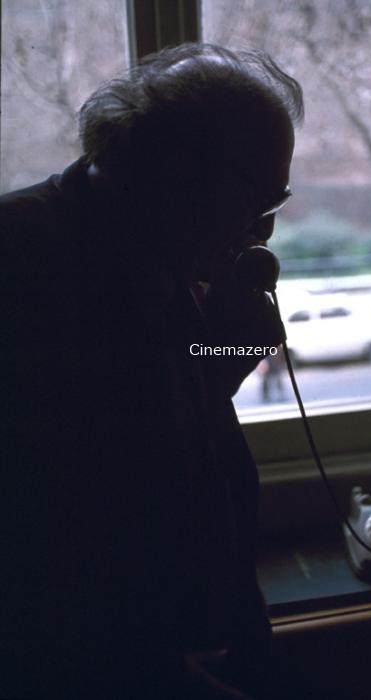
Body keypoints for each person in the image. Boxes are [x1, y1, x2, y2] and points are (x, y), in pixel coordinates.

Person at [0, 43, 303, 699]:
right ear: (176, 174)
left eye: (275, 203)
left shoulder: (165, 251)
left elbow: (159, 414)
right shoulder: (19, 269)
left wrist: (224, 358)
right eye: (256, 200)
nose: (263, 235)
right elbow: (49, 525)